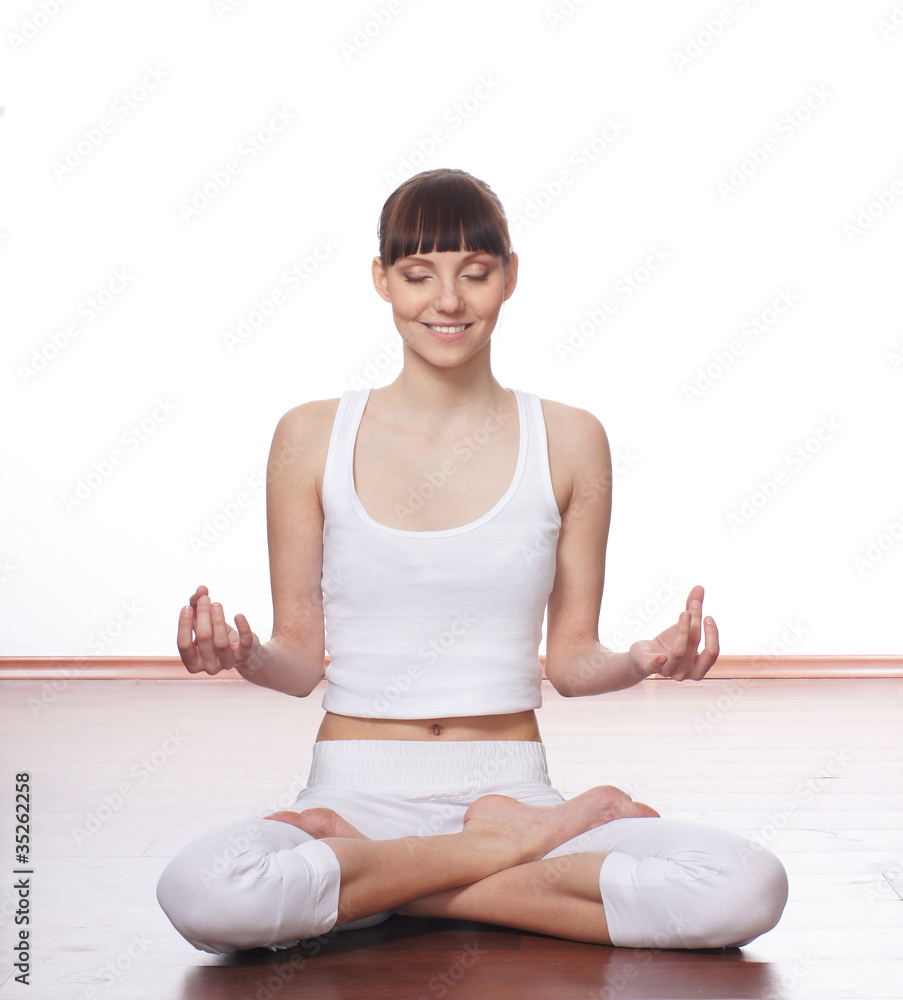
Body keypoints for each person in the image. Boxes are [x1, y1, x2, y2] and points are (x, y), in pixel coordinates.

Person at [156, 168, 788, 955]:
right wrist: (243, 655)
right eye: (418, 275)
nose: (446, 301)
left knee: (743, 887)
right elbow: (296, 661)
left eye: (474, 274)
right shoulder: (309, 435)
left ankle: (382, 888)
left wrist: (639, 660)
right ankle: (491, 864)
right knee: (201, 894)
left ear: (509, 278)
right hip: (356, 791)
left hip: (509, 790)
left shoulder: (569, 438)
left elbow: (570, 662)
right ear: (381, 279)